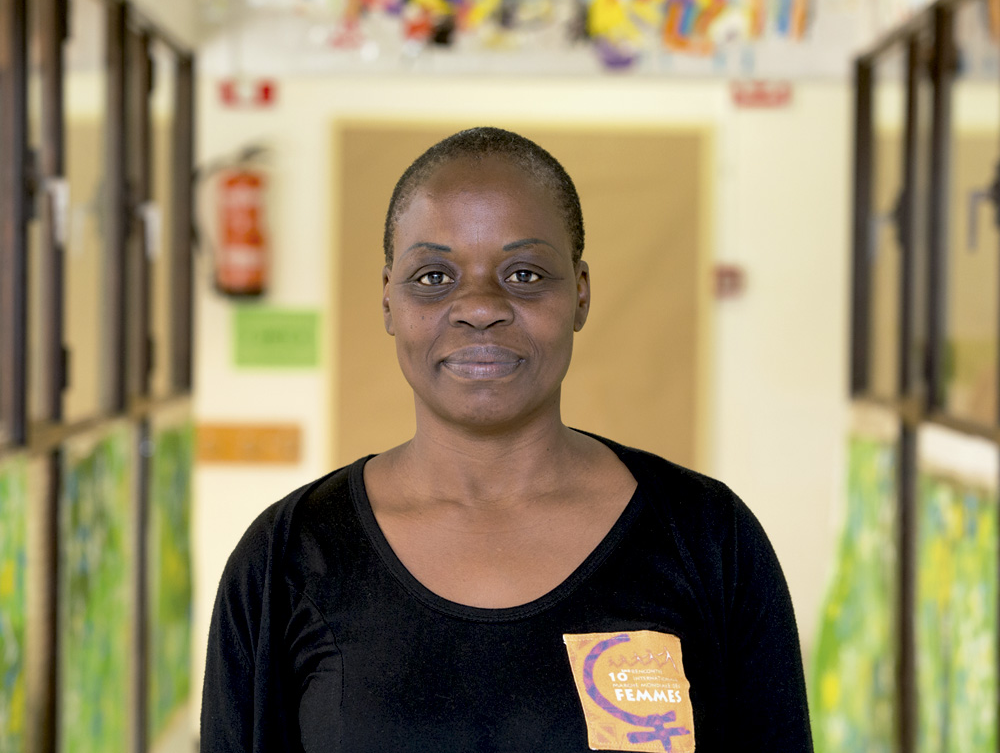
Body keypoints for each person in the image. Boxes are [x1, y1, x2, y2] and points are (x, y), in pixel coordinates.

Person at [201, 127, 813, 753]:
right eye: (433, 276)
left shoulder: (710, 539)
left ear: (580, 293)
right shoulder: (285, 558)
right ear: (388, 299)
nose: (479, 307)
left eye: (523, 273)